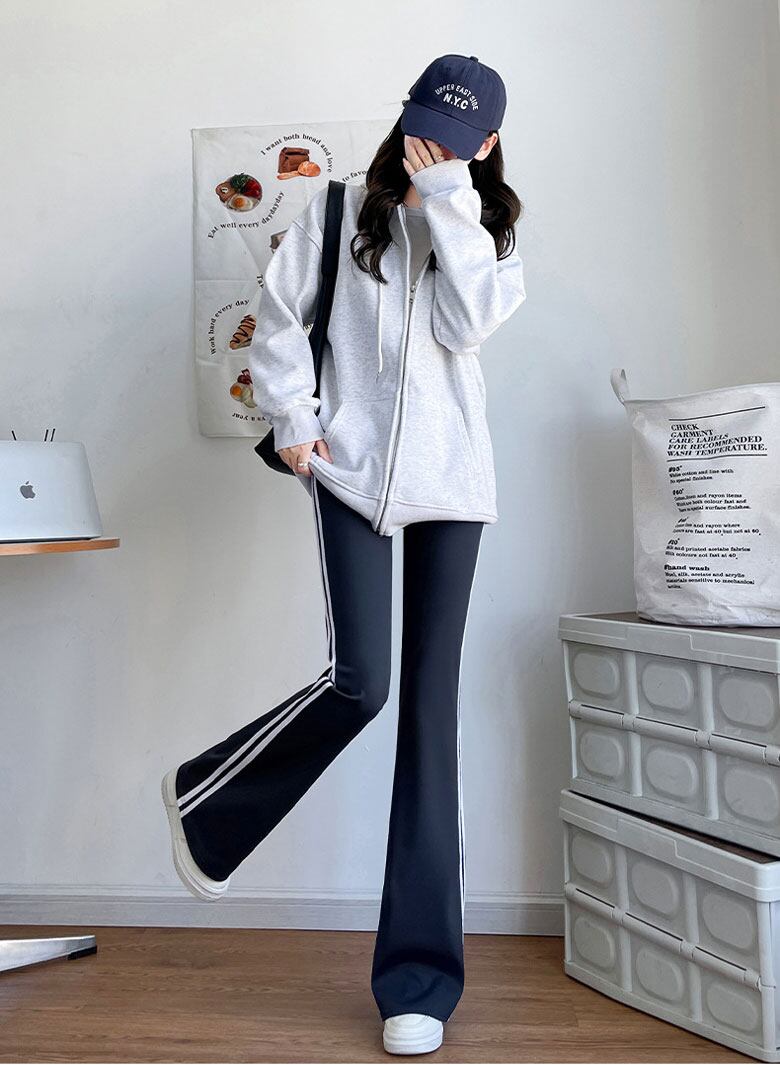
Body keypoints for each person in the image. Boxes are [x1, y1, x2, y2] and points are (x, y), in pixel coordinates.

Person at [162, 54, 526, 1056]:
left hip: (454, 483)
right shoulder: (333, 210)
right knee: (361, 683)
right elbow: (282, 321)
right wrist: (293, 420)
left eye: (456, 139)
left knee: (432, 715)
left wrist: (450, 203)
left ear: (487, 145)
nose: (431, 147)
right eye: (423, 127)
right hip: (350, 471)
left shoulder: (490, 225)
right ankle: (210, 807)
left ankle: (420, 980)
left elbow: (468, 324)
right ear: (404, 115)